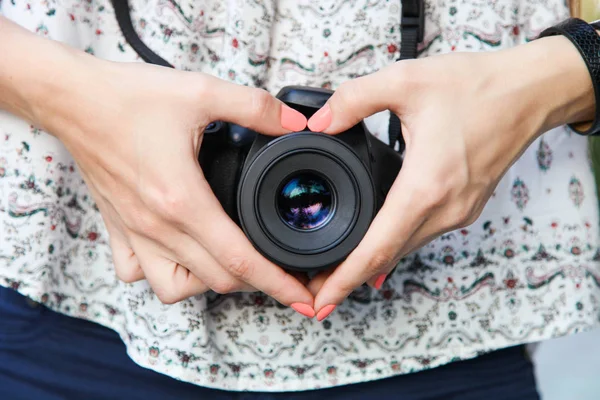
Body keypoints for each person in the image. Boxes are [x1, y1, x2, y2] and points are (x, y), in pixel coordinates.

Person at [0, 0, 598, 399]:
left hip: (455, 321)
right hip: (72, 300)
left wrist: (560, 76)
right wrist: (64, 96)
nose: (305, 200)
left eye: (310, 200)